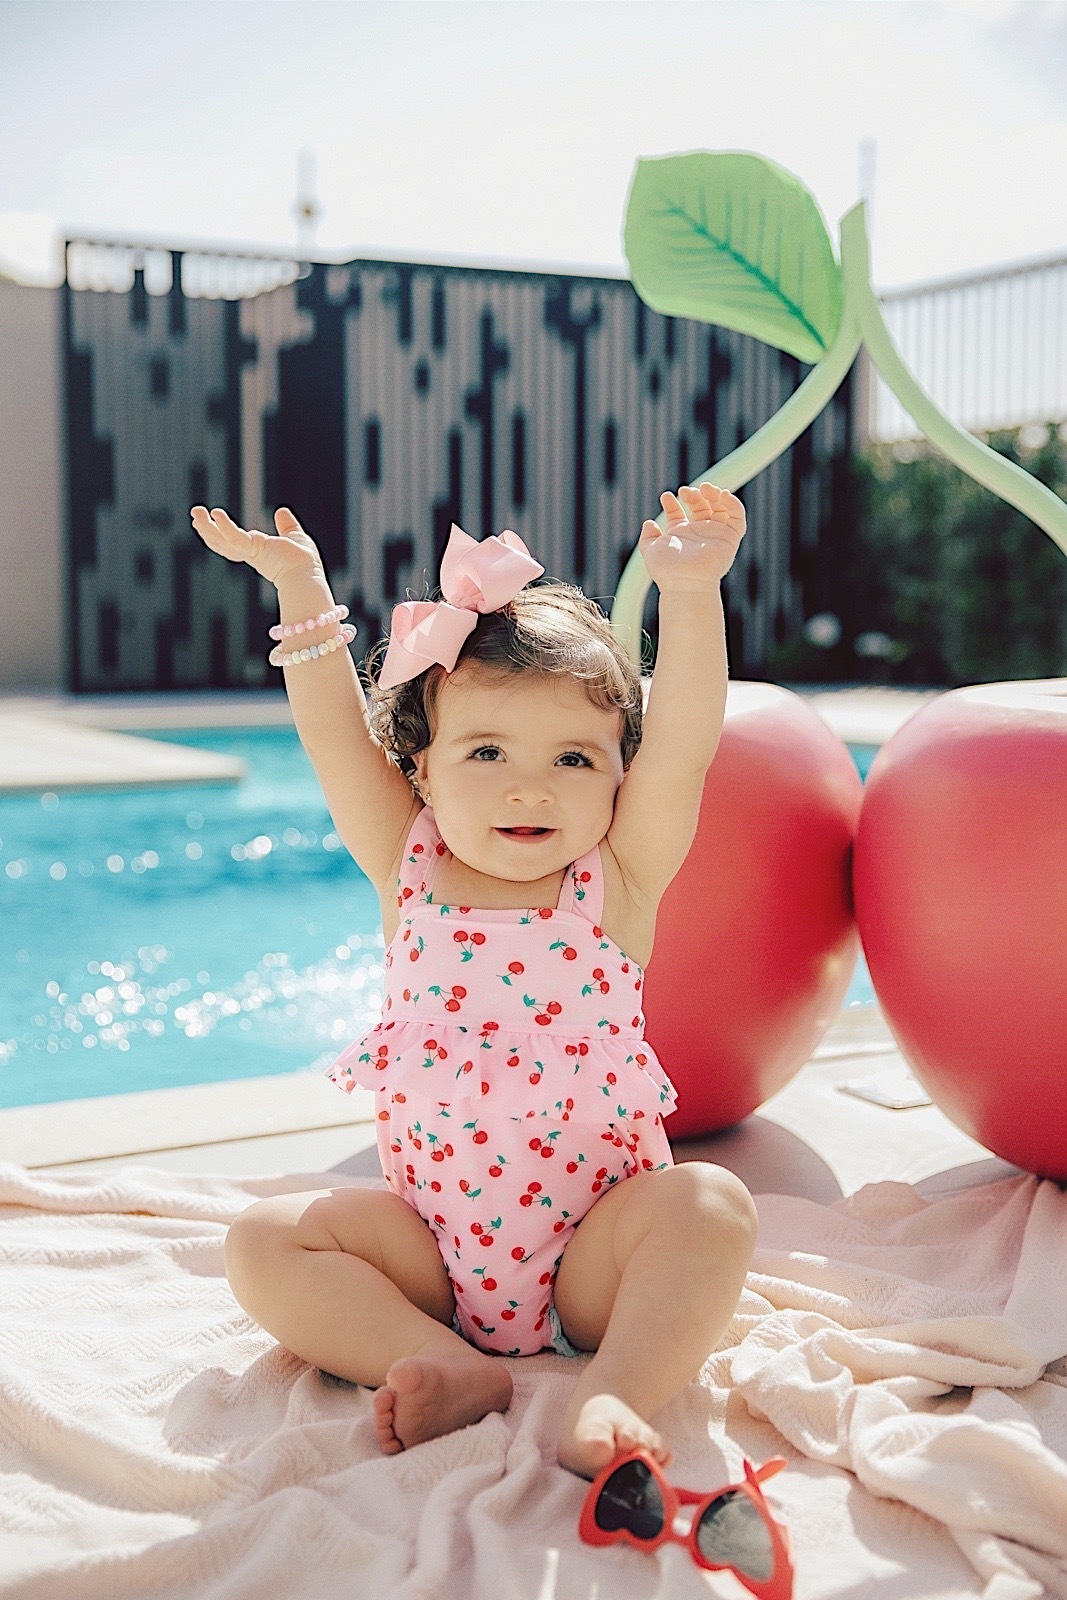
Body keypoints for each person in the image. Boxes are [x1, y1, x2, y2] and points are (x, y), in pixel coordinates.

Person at [189, 484, 758, 1480]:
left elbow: (687, 744)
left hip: (595, 1254)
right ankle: (448, 1365)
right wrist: (302, 590)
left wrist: (693, 590)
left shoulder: (614, 880)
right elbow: (332, 736)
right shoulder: (404, 864)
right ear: (420, 769)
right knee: (261, 1241)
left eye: (574, 757)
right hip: (428, 1259)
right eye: (485, 750)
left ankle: (613, 1390)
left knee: (708, 1205)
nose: (526, 785)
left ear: (617, 778)